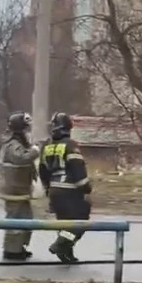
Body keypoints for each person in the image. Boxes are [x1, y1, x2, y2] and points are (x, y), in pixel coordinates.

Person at [38, 112, 92, 263]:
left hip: (54, 190)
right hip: (70, 190)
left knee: (64, 222)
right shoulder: (70, 145)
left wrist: (48, 188)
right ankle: (60, 245)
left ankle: (67, 253)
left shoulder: (47, 146)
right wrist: (86, 188)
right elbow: (77, 167)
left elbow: (42, 170)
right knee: (80, 221)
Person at [0, 112, 40, 260]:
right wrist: (35, 151)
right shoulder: (13, 144)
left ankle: (18, 247)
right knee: (15, 219)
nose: (28, 131)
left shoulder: (18, 143)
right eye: (26, 128)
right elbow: (21, 158)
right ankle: (11, 251)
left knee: (26, 219)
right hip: (14, 189)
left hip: (19, 189)